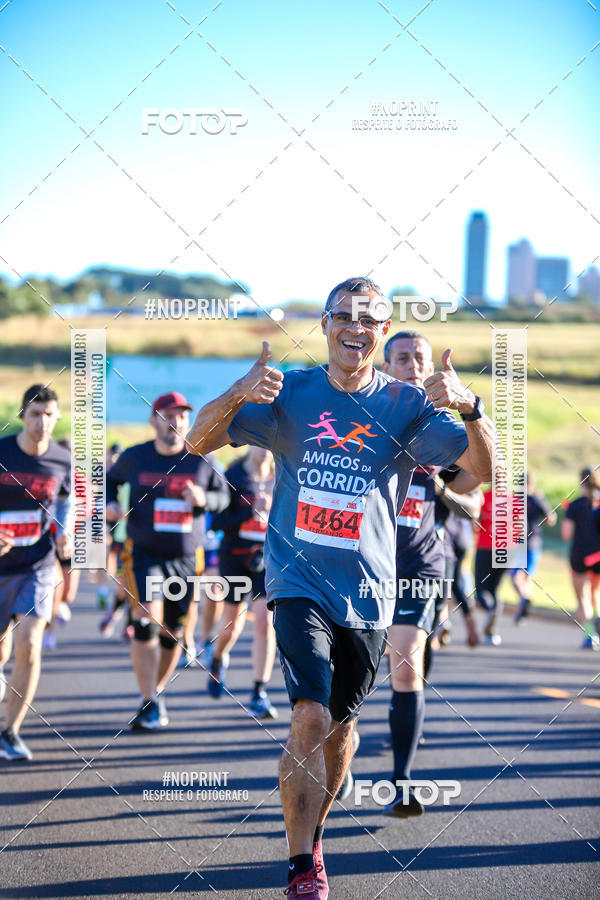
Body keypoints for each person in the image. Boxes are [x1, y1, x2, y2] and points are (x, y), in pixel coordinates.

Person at [186, 276, 494, 899]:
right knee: (311, 714)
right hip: (296, 580)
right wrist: (238, 391)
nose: (356, 327)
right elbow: (198, 439)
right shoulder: (291, 393)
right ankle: (302, 866)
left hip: (371, 594)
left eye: (371, 319)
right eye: (344, 316)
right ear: (325, 325)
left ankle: (315, 836)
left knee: (340, 732)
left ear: (383, 332)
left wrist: (471, 408)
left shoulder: (406, 406)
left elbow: (482, 476)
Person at [380, 330, 481, 817]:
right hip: (362, 563)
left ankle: (401, 781)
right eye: (402, 357)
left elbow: (478, 483)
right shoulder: (368, 415)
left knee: (404, 663)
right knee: (351, 679)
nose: (413, 364)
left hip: (420, 563)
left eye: (419, 357)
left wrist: (444, 487)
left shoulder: (444, 428)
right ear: (386, 364)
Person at [106, 391, 229, 730]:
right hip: (143, 552)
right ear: (153, 420)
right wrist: (110, 505)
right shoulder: (134, 457)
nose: (175, 422)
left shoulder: (202, 459)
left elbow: (224, 498)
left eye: (182, 416)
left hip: (187, 559)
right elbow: (108, 483)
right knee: (147, 618)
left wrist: (205, 498)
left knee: (172, 633)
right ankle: (148, 699)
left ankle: (155, 694)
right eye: (168, 416)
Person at [0, 385, 72, 760]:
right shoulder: (3, 452)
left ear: (56, 418)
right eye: (34, 415)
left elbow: (66, 501)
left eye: (48, 415)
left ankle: (10, 731)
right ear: (22, 416)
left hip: (38, 566)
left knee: (30, 641)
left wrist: (64, 533)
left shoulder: (63, 460)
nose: (42, 423)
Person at [208, 446, 278, 718]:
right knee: (231, 626)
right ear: (250, 443)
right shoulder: (233, 477)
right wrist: (251, 512)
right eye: (259, 443)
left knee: (265, 622)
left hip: (266, 561)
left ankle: (259, 691)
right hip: (235, 558)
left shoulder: (281, 477)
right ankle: (217, 658)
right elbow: (217, 522)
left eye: (269, 444)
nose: (265, 450)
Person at [561, 468, 600, 649]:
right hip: (598, 556)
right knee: (594, 593)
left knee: (583, 597)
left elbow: (567, 534)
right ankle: (597, 618)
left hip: (581, 556)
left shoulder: (576, 505)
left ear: (581, 483)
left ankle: (590, 634)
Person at [512, 472, 556, 624]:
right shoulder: (536, 498)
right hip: (534, 542)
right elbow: (551, 519)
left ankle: (524, 600)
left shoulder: (514, 498)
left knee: (516, 576)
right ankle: (522, 610)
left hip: (519, 543)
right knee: (527, 577)